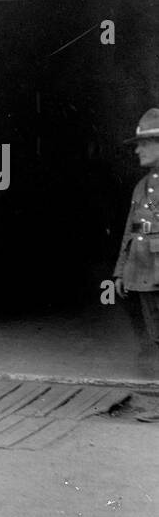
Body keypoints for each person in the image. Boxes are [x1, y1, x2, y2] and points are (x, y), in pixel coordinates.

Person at [113, 108, 159, 347]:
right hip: (144, 274)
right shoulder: (141, 186)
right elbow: (131, 231)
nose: (137, 150)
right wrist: (120, 272)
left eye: (144, 143)